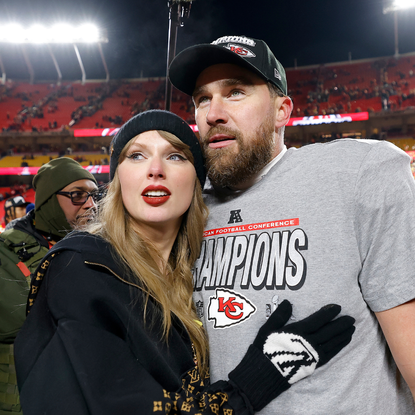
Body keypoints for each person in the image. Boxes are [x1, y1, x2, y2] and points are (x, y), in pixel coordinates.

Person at [14, 110, 354, 414]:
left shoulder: (192, 270)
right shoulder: (81, 270)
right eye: (136, 156)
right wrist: (255, 380)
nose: (155, 170)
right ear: (119, 181)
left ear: (196, 182)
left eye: (175, 156)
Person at [168, 35, 415, 414]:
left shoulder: (358, 174)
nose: (212, 113)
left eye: (235, 92)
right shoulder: (184, 202)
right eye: (202, 98)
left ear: (283, 110)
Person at [0, 157, 98, 415]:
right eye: (77, 195)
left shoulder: (96, 245)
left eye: (93, 195)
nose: (91, 204)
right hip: (22, 402)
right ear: (49, 201)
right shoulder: (5, 252)